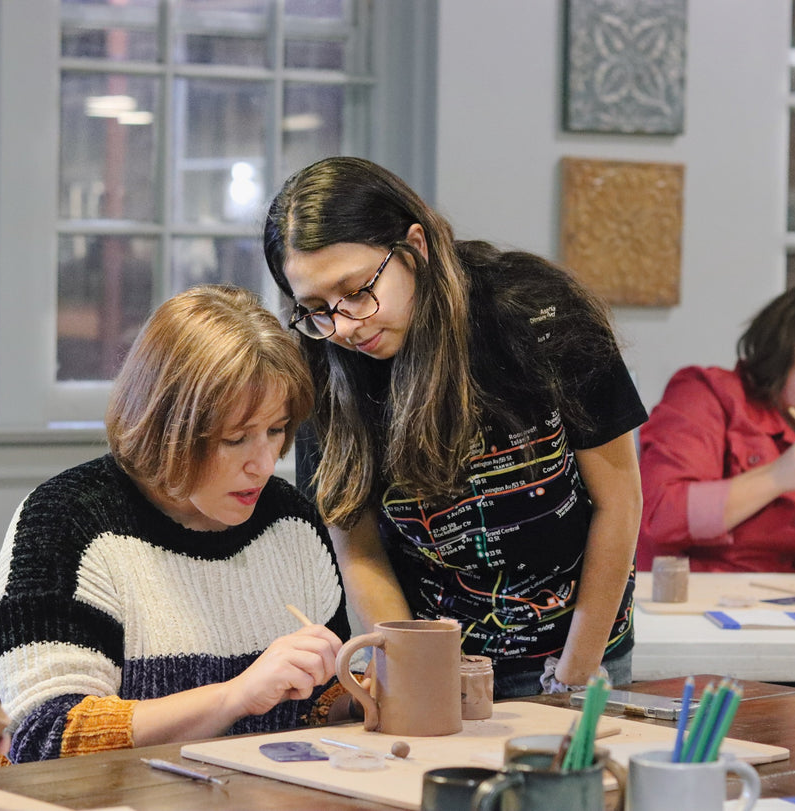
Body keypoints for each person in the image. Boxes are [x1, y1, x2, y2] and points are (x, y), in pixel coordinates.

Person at [263, 156, 647, 697]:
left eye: (356, 291)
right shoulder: (324, 366)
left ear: (415, 247)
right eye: (318, 308)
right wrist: (417, 676)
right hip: (439, 659)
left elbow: (620, 500)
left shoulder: (538, 315)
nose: (344, 325)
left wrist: (574, 674)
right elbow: (359, 548)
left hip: (581, 647)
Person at [0, 286, 350, 763]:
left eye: (275, 431)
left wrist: (359, 700)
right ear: (166, 426)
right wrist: (235, 696)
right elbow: (44, 737)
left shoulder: (291, 522)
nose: (263, 463)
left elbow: (322, 701)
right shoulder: (66, 523)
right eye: (235, 438)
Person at [637, 278, 795, 574]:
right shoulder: (708, 396)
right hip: (697, 607)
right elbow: (658, 517)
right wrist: (775, 477)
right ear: (785, 342)